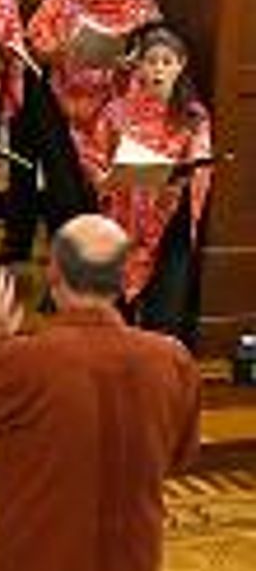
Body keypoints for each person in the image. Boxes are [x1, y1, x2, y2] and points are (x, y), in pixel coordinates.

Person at [0, 217, 202, 571]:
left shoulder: (22, 361)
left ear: (54, 273)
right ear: (125, 277)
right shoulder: (172, 359)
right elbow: (181, 456)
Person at [82, 27, 212, 348]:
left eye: (167, 62)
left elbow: (202, 162)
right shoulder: (116, 112)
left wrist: (185, 176)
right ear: (138, 66)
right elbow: (93, 155)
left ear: (181, 65)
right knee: (118, 318)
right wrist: (102, 178)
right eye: (151, 62)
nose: (158, 70)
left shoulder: (193, 115)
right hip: (123, 222)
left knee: (164, 320)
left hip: (171, 222)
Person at [26, 0, 162, 222]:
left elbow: (159, 49)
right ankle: (75, 245)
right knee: (68, 192)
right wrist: (61, 50)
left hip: (119, 109)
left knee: (117, 191)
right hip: (65, 107)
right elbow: (34, 41)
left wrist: (136, 61)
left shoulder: (139, 0)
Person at [0, 0, 82, 262]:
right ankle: (17, 239)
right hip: (24, 75)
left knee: (61, 166)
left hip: (67, 81)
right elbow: (6, 8)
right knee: (22, 160)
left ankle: (64, 246)